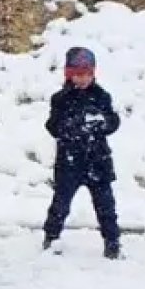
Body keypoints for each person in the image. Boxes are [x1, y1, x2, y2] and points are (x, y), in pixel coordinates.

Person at [41, 46, 122, 259]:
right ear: (69, 75)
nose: (83, 79)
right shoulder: (61, 98)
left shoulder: (102, 96)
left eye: (87, 74)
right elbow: (52, 126)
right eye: (78, 75)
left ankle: (112, 243)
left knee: (106, 206)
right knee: (60, 204)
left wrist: (102, 123)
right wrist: (72, 125)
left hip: (98, 160)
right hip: (70, 162)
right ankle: (51, 237)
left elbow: (113, 122)